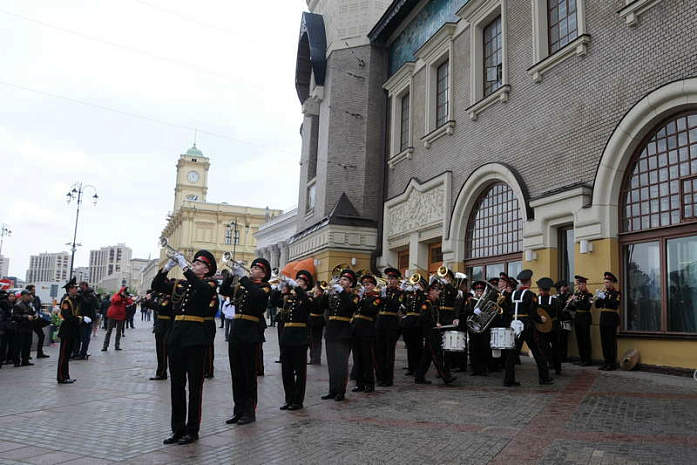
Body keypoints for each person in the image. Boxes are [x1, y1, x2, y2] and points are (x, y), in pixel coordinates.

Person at [152, 250, 218, 445]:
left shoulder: (209, 283)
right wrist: (166, 269)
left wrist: (185, 267)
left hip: (195, 338)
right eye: (194, 263)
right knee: (177, 386)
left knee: (195, 387)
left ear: (206, 269)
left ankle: (192, 429)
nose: (194, 265)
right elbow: (156, 286)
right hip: (177, 337)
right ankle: (177, 429)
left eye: (199, 263)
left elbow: (204, 291)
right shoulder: (182, 283)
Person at [221, 257, 272, 426]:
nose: (252, 270)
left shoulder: (264, 287)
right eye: (252, 267)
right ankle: (238, 410)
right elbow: (224, 290)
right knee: (237, 374)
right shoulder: (243, 286)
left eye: (256, 268)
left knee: (249, 374)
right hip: (236, 331)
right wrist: (231, 275)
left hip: (251, 332)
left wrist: (243, 277)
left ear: (263, 273)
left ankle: (249, 412)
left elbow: (256, 295)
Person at [503, 270, 553, 387]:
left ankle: (508, 379)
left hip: (514, 325)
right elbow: (533, 313)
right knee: (537, 352)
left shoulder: (513, 294)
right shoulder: (531, 295)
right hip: (526, 326)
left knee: (512, 353)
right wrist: (541, 319)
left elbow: (509, 309)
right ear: (529, 282)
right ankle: (544, 377)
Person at [321, 269, 359, 401]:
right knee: (332, 364)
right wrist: (325, 294)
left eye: (345, 280)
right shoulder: (334, 295)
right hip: (331, 332)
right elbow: (321, 307)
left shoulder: (354, 295)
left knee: (341, 364)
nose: (341, 281)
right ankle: (332, 390)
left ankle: (340, 391)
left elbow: (350, 307)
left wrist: (342, 292)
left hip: (343, 333)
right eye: (341, 279)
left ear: (351, 283)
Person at [279, 270, 314, 410]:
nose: (296, 283)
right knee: (286, 370)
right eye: (297, 281)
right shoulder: (290, 299)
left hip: (299, 337)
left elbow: (307, 303)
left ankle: (298, 400)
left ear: (305, 286)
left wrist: (298, 289)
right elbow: (275, 302)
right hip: (287, 336)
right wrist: (279, 288)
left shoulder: (307, 298)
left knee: (299, 371)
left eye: (300, 282)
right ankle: (288, 398)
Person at [415, 278, 456, 385]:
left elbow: (438, 318)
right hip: (430, 334)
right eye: (437, 290)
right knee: (437, 357)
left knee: (426, 358)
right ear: (431, 292)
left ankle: (419, 377)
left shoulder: (435, 303)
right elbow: (423, 317)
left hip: (434, 333)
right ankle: (446, 377)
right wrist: (434, 324)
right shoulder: (427, 303)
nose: (439, 292)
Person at [351, 274, 381, 393]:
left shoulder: (376, 298)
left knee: (367, 358)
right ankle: (359, 383)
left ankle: (369, 383)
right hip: (356, 330)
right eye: (364, 285)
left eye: (368, 284)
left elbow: (370, 310)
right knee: (357, 359)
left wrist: (361, 298)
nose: (365, 287)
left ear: (373, 286)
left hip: (367, 331)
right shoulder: (360, 298)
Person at [375, 267, 402, 386]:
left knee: (389, 353)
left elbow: (395, 304)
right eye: (389, 279)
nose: (391, 281)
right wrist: (381, 296)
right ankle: (380, 377)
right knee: (379, 351)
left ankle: (388, 379)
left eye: (393, 279)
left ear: (397, 280)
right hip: (380, 323)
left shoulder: (400, 293)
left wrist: (385, 296)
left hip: (391, 323)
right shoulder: (382, 291)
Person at [57, 278, 88, 383]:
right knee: (63, 356)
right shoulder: (66, 301)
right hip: (66, 330)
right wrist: (81, 319)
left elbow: (84, 302)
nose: (77, 289)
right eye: (75, 288)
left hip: (72, 330)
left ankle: (66, 375)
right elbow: (67, 316)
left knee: (67, 355)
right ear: (70, 289)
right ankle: (61, 377)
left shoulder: (74, 299)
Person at [595, 271, 621, 371]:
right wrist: (598, 297)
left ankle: (612, 363)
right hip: (603, 319)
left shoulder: (616, 293)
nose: (605, 284)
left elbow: (614, 304)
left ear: (612, 283)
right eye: (604, 282)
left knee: (611, 342)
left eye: (607, 282)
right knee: (604, 341)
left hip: (611, 319)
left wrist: (604, 297)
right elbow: (597, 306)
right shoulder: (604, 293)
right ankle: (606, 362)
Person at [537, 277, 562, 375]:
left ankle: (548, 363)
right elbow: (559, 313)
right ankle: (558, 368)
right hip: (554, 326)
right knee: (556, 347)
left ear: (540, 288)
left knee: (544, 347)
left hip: (542, 327)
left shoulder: (536, 299)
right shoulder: (556, 300)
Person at [568, 275, 593, 366]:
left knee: (585, 339)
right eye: (578, 284)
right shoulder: (577, 294)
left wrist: (577, 301)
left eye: (581, 284)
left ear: (585, 284)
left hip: (585, 317)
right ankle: (582, 358)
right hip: (578, 317)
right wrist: (571, 302)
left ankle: (587, 360)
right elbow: (573, 308)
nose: (579, 286)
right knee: (579, 339)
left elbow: (587, 306)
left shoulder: (589, 295)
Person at [148, 292, 170, 380]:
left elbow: (160, 307)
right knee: (160, 350)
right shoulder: (162, 296)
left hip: (165, 325)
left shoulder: (169, 297)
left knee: (163, 350)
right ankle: (161, 371)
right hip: (161, 324)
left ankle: (162, 372)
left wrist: (148, 301)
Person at [74, 281, 98, 359]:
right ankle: (77, 352)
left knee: (85, 337)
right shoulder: (83, 293)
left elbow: (87, 303)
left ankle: (83, 353)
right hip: (81, 317)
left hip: (88, 318)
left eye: (81, 287)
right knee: (79, 336)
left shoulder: (91, 294)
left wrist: (80, 296)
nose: (80, 288)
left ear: (85, 286)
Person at [12, 289, 37, 367]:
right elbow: (15, 316)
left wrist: (35, 316)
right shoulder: (18, 305)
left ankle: (25, 360)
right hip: (20, 328)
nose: (29, 296)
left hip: (28, 327)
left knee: (27, 345)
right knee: (18, 345)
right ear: (23, 296)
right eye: (28, 295)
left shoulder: (30, 305)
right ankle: (16, 361)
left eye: (30, 295)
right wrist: (26, 317)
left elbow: (33, 312)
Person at [26, 285, 50, 359]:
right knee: (28, 338)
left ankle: (40, 352)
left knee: (42, 336)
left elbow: (38, 307)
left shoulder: (36, 298)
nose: (34, 291)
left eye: (34, 289)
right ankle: (26, 354)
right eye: (32, 290)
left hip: (37, 321)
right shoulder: (26, 299)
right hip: (29, 321)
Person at [554, 280, 573, 362]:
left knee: (564, 339)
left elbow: (563, 304)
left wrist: (562, 294)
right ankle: (559, 356)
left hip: (566, 319)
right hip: (559, 320)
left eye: (563, 287)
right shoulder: (557, 296)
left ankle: (563, 357)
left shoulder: (569, 295)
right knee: (559, 339)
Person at [307, 283, 326, 365]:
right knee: (311, 340)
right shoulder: (315, 297)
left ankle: (316, 358)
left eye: (316, 288)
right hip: (312, 320)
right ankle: (313, 358)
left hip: (317, 320)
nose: (314, 288)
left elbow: (320, 307)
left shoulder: (321, 298)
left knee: (316, 340)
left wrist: (311, 297)